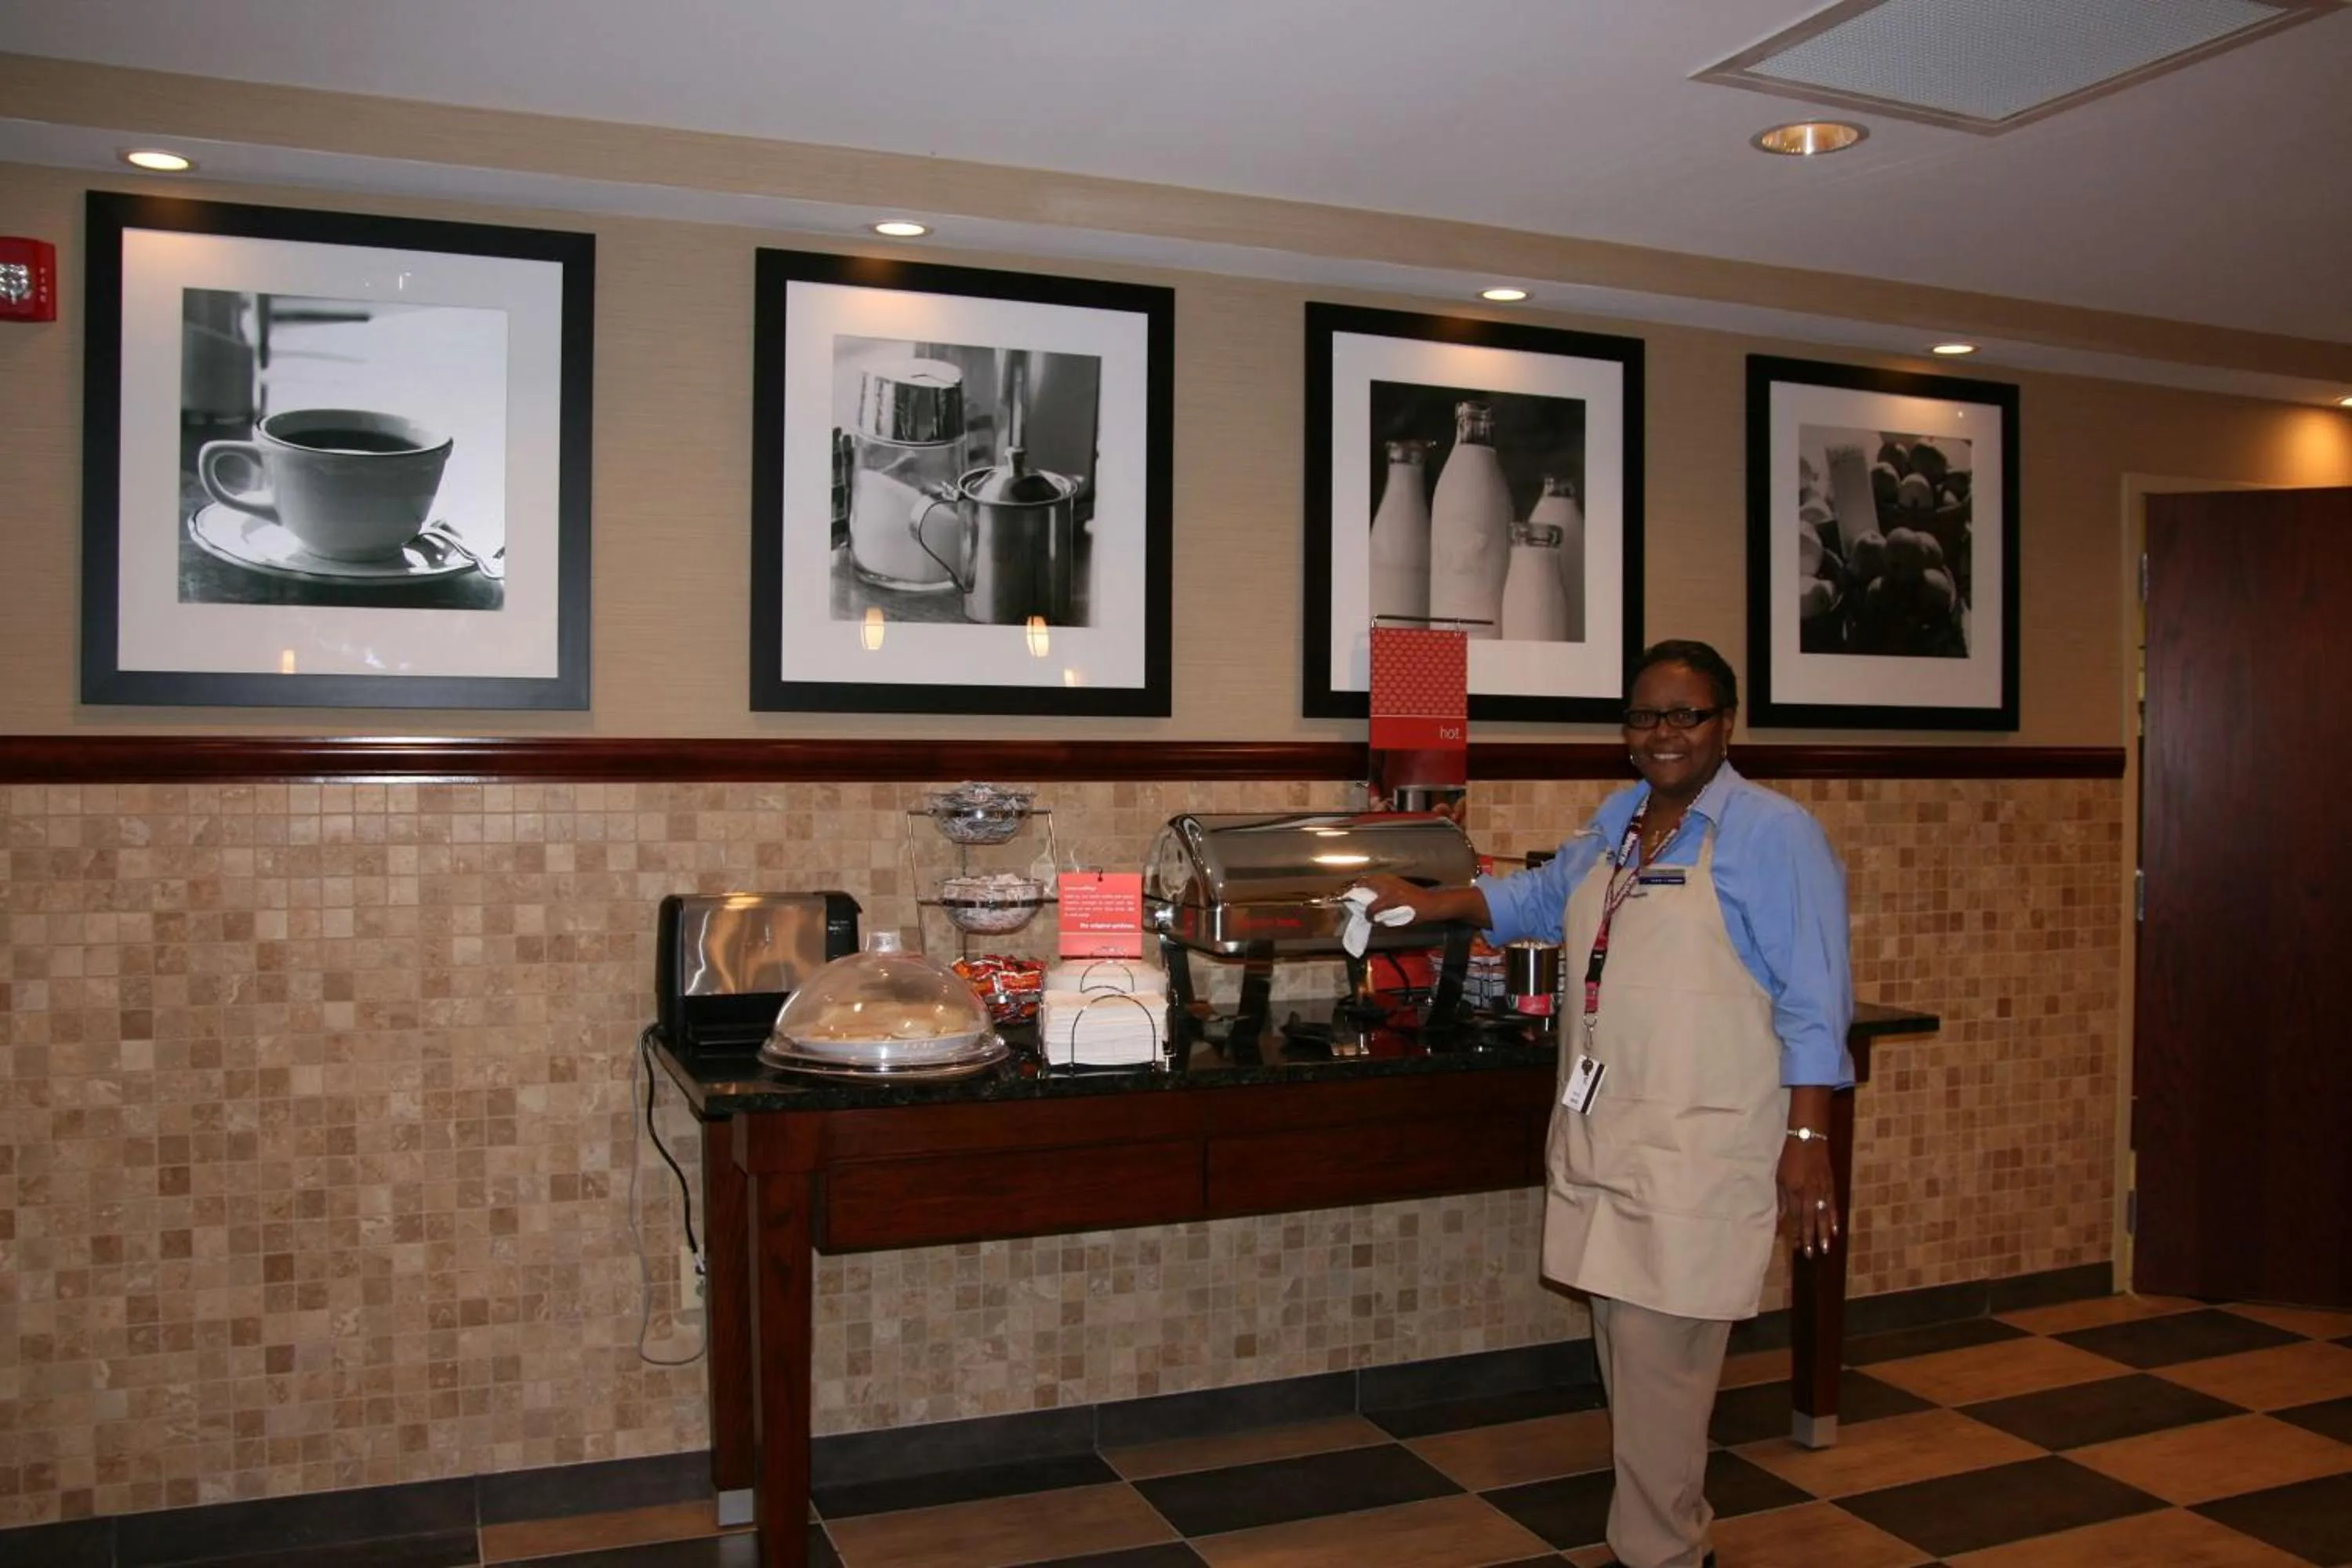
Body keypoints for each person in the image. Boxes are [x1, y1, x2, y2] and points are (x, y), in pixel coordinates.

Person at [1358, 638, 1852, 1568]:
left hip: (1702, 1145)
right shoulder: (1620, 821)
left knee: (1664, 1368)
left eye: (1685, 714)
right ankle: (1664, 1541)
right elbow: (1543, 899)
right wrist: (1424, 899)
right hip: (1610, 1131)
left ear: (1726, 721)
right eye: (1644, 717)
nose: (1663, 734)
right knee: (1630, 1357)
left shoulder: (1771, 833)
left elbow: (1816, 999)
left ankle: (1662, 1553)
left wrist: (1806, 1133)